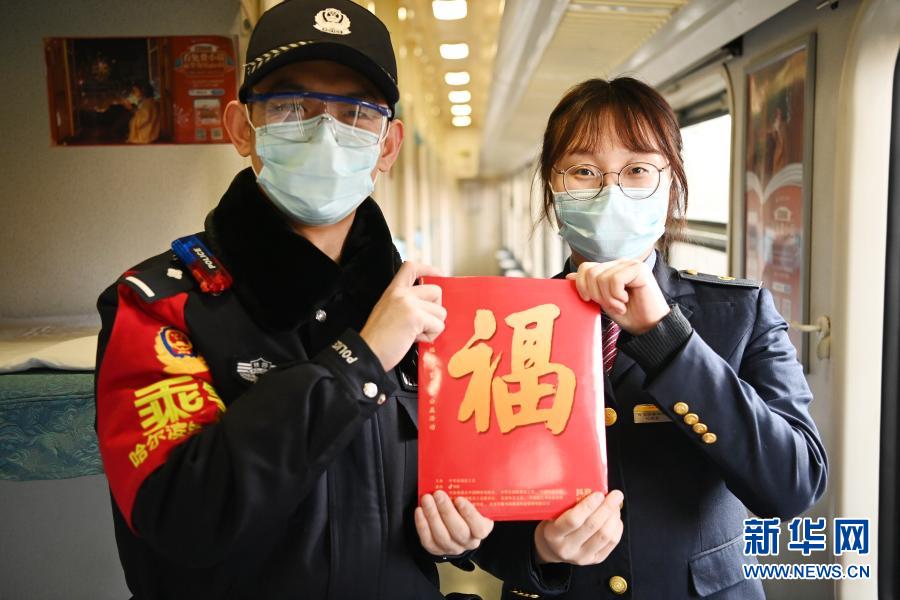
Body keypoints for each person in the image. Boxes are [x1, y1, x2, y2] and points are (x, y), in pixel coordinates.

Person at [94, 1, 493, 598]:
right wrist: (358, 363)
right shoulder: (160, 305)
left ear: (387, 146)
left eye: (356, 113)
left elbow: (460, 487)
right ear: (241, 128)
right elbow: (179, 516)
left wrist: (461, 534)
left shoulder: (428, 310)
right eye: (290, 106)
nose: (325, 132)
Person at [470, 77, 827, 599]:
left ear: (670, 184)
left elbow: (794, 484)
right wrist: (538, 551)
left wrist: (668, 340)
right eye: (584, 171)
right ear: (552, 187)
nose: (611, 191)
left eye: (638, 169)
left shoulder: (739, 313)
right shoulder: (502, 326)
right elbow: (469, 505)